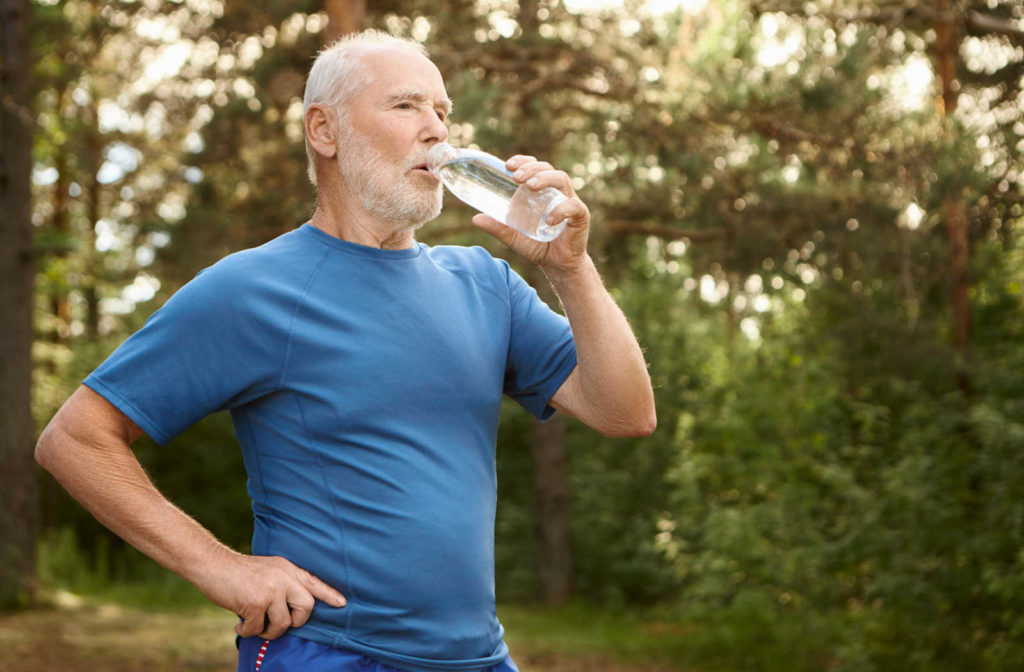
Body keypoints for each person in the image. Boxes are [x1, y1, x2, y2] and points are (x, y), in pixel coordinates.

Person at [35, 29, 656, 672]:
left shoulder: (485, 284)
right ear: (324, 132)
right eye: (406, 105)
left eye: (443, 112)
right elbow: (76, 439)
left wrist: (572, 271)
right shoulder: (253, 288)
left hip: (479, 658)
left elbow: (625, 412)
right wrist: (218, 567)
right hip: (330, 652)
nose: (436, 130)